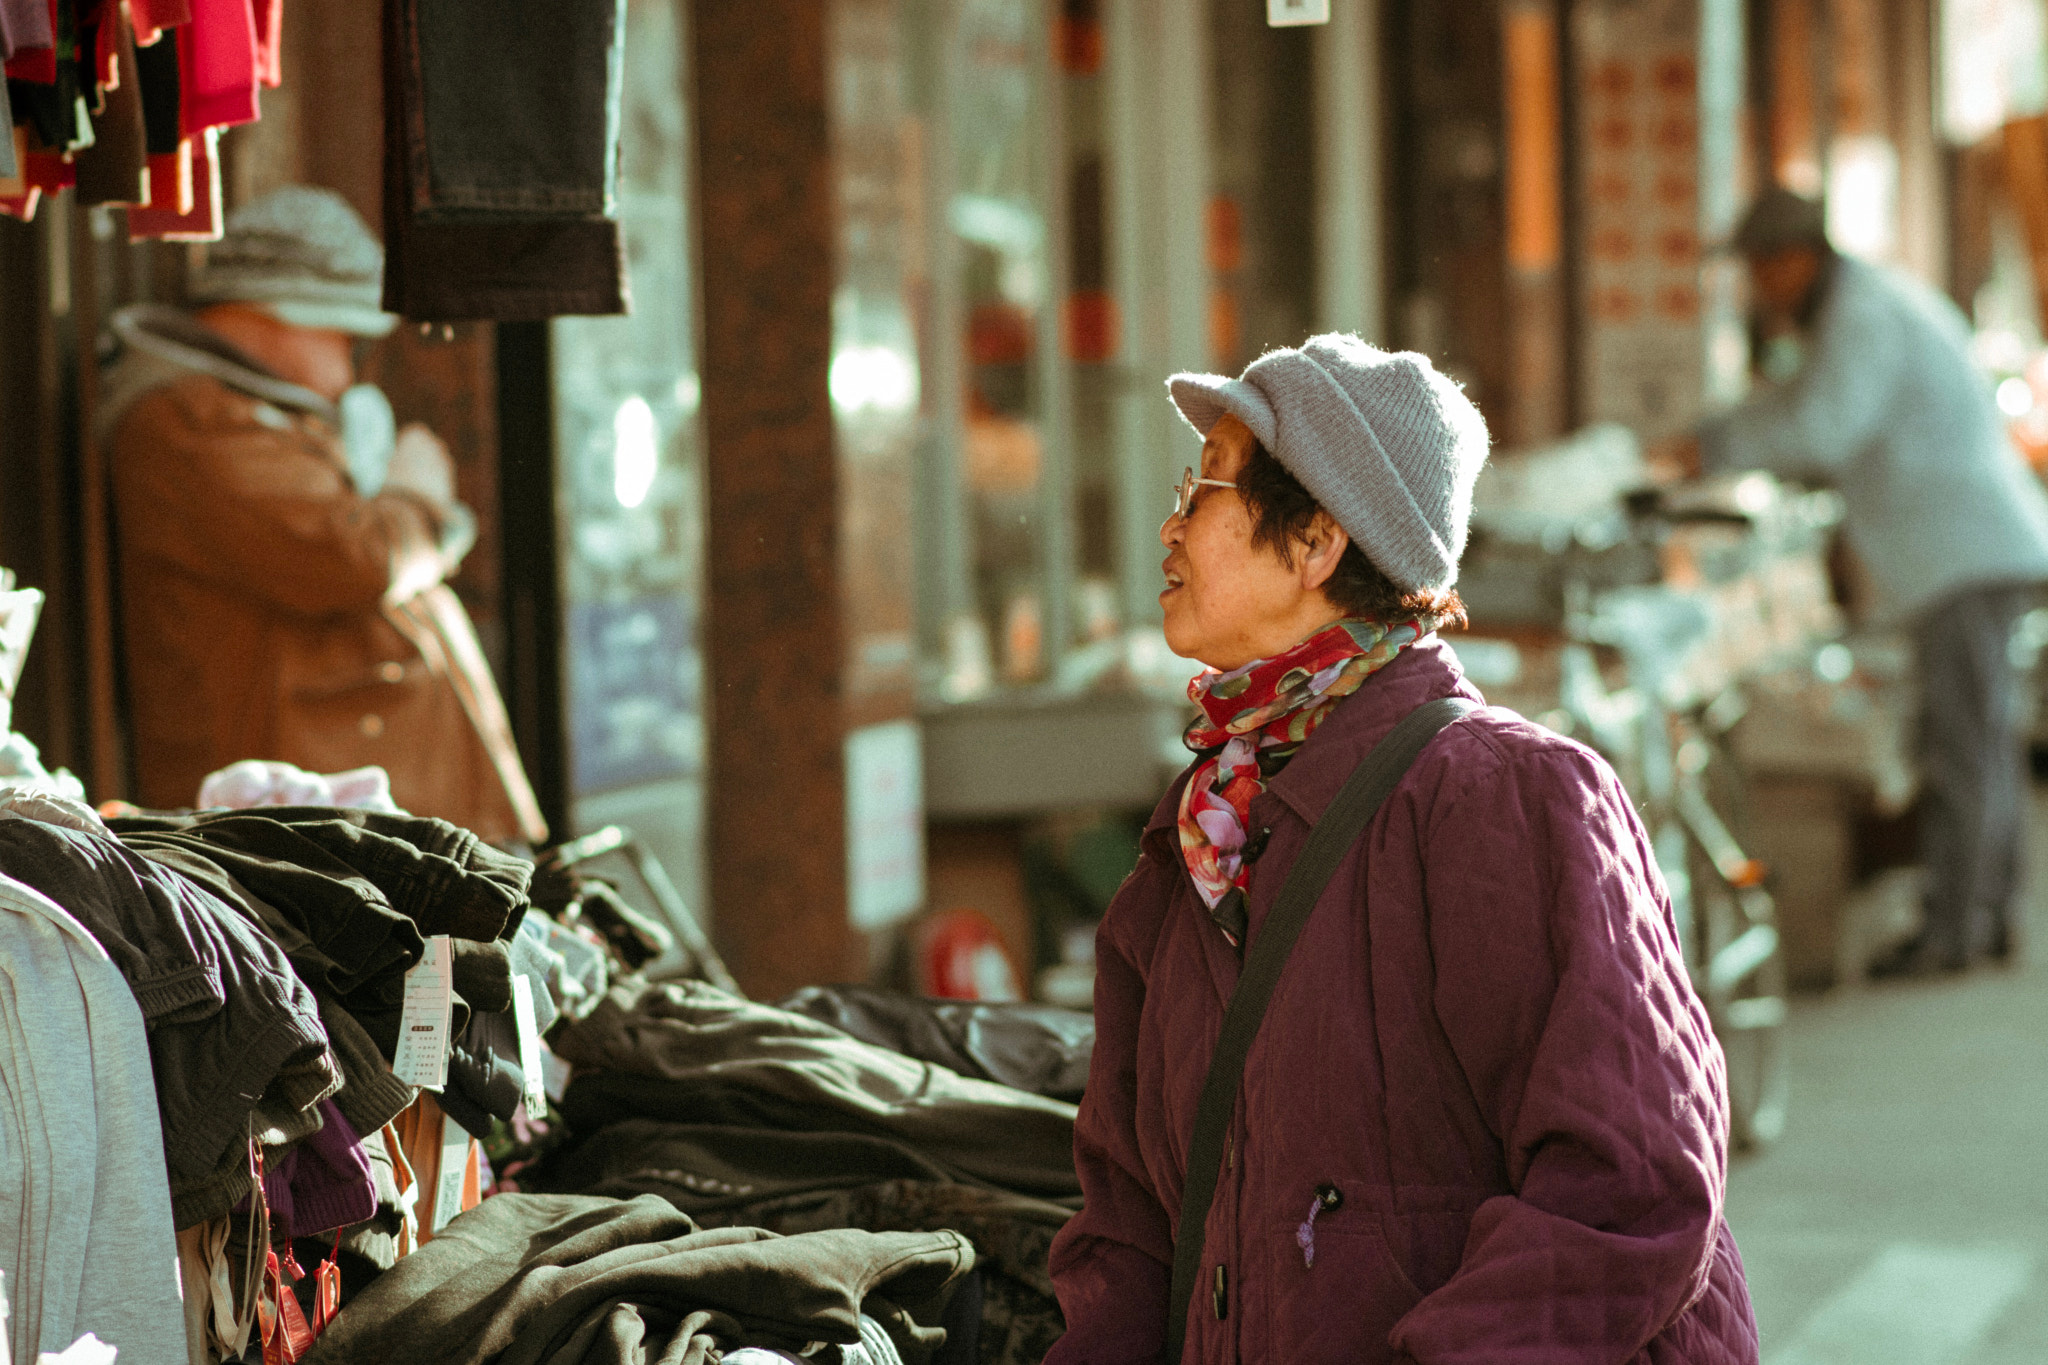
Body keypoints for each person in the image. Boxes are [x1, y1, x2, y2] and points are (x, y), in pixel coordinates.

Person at [1046, 335, 1758, 1364]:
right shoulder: (1196, 844)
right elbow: (1127, 1230)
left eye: (1201, 488)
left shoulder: (1504, 796)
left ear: (1316, 542)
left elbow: (1630, 1189)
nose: (1169, 524)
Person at [98, 185, 547, 845]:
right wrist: (418, 496)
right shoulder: (192, 421)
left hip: (354, 809)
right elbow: (351, 558)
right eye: (347, 338)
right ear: (280, 313)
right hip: (310, 825)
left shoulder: (248, 414)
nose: (349, 370)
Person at [1689, 186, 2048, 976]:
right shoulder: (1859, 307)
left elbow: (1823, 425)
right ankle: (1985, 917)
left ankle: (1956, 930)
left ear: (1794, 259)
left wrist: (1709, 448)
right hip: (1965, 550)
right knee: (1980, 737)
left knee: (1965, 742)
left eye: (1759, 270)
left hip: (1967, 551)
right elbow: (1808, 405)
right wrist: (1725, 431)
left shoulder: (1862, 315)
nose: (1757, 290)